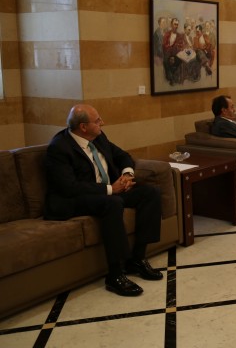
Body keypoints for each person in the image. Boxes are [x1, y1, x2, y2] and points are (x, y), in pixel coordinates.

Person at [44, 105, 163, 297]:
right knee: (113, 203)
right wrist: (110, 189)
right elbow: (69, 187)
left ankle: (137, 258)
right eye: (98, 120)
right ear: (83, 127)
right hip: (74, 200)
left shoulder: (98, 137)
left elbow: (123, 156)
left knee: (150, 193)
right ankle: (115, 275)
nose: (103, 123)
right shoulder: (59, 148)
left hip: (105, 192)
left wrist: (127, 174)